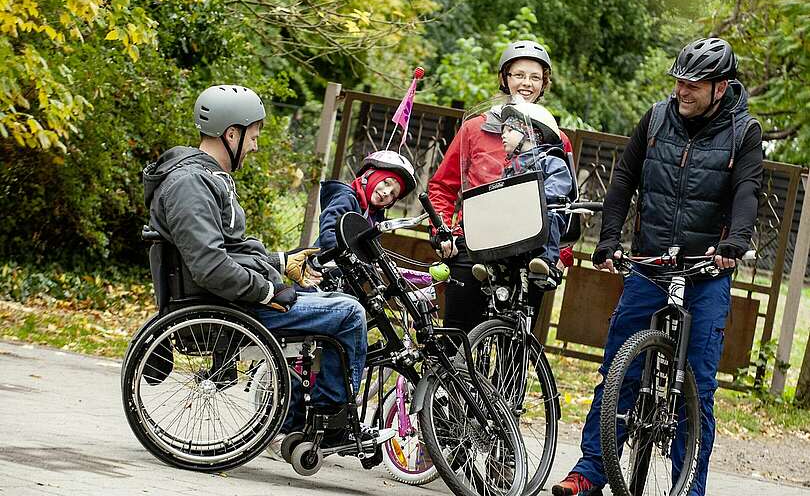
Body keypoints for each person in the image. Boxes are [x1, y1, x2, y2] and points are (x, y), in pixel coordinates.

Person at [552, 37, 763, 496]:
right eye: (678, 82)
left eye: (693, 85)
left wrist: (734, 242)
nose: (682, 91)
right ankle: (592, 470)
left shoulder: (744, 133)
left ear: (720, 88)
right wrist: (609, 238)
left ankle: (690, 488)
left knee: (698, 387)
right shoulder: (656, 117)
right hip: (649, 265)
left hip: (705, 271)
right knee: (618, 372)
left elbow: (747, 191)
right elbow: (625, 177)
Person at [142, 84, 384, 448]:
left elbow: (228, 251)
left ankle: (296, 423)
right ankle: (332, 424)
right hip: (229, 305)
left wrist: (282, 263)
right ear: (231, 134)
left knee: (327, 300)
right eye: (252, 137)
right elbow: (210, 265)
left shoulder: (203, 178)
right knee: (350, 313)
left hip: (231, 297)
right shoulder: (190, 184)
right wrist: (270, 290)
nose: (255, 146)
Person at [428, 40, 574, 333]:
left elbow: (566, 203)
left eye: (535, 77)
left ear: (544, 84)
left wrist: (562, 255)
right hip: (476, 241)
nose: (527, 83)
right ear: (505, 78)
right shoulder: (475, 128)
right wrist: (444, 232)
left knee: (515, 343)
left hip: (530, 246)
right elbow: (442, 187)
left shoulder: (554, 138)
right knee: (457, 334)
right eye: (519, 74)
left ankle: (506, 378)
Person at [499, 102, 573, 287]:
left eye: (509, 130)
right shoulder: (510, 169)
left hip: (539, 215)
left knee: (550, 214)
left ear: (529, 134)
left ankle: (545, 259)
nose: (503, 135)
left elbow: (559, 185)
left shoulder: (551, 161)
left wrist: (535, 199)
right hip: (516, 221)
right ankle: (496, 262)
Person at [317, 150, 417, 251]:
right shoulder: (347, 198)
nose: (386, 192)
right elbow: (328, 235)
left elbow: (372, 246)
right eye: (386, 183)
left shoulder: (375, 215)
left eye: (393, 193)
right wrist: (351, 256)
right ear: (370, 175)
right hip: (324, 263)